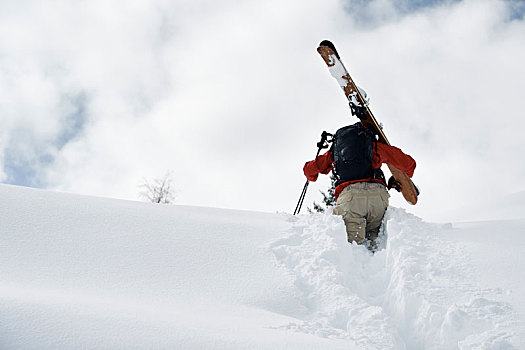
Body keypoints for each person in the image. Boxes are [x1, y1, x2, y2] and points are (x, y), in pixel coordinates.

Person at [303, 121, 416, 250]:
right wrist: (404, 176)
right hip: (377, 198)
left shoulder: (336, 152)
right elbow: (409, 164)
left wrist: (311, 176)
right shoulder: (374, 147)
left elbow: (310, 169)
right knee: (376, 248)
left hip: (350, 199)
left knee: (353, 252)